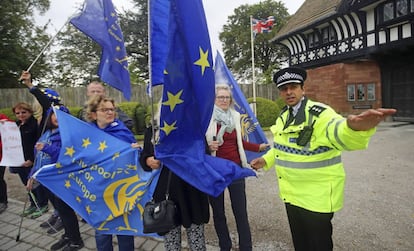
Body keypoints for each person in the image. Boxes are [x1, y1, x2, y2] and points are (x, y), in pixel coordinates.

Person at [250, 67, 397, 251]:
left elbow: (337, 131)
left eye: (293, 86)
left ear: (302, 89)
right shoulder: (284, 116)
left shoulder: (320, 114)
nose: (289, 92)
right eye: (284, 88)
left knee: (318, 246)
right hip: (291, 196)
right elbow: (281, 147)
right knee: (301, 244)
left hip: (316, 199)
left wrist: (354, 129)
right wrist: (266, 160)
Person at [205, 84, 269, 251]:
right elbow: (197, 143)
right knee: (219, 214)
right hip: (215, 172)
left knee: (241, 212)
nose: (224, 100)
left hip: (235, 170)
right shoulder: (207, 118)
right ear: (214, 99)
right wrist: (207, 146)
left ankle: (246, 246)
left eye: (227, 97)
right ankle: (224, 246)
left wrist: (258, 147)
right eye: (221, 97)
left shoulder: (234, 116)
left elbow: (239, 141)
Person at [140, 108, 210, 251]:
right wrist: (147, 160)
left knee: (196, 240)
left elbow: (206, 156)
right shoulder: (153, 130)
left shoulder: (194, 129)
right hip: (166, 192)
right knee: (171, 240)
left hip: (192, 190)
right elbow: (145, 155)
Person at [28, 105, 84, 251]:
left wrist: (47, 148)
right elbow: (38, 157)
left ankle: (76, 240)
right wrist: (31, 176)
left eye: (61, 115)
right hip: (46, 180)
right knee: (59, 210)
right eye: (54, 114)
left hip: (60, 179)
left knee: (66, 210)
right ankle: (68, 235)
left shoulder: (67, 135)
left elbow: (67, 156)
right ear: (49, 117)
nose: (57, 118)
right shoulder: (46, 134)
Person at [85, 95, 137, 251]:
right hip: (97, 191)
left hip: (119, 189)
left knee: (124, 230)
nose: (110, 112)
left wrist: (136, 151)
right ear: (94, 114)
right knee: (102, 233)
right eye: (104, 109)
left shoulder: (122, 131)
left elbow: (133, 160)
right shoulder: (86, 135)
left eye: (112, 109)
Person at [19, 70, 64, 232]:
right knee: (49, 191)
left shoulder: (59, 115)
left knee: (58, 194)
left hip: (55, 161)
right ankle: (56, 213)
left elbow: (46, 102)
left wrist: (30, 85)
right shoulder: (42, 120)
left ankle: (62, 216)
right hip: (42, 160)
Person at [10, 102, 49, 219]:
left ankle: (42, 204)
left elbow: (38, 143)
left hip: (31, 160)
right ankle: (33, 203)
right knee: (26, 184)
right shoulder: (16, 125)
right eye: (18, 113)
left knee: (35, 183)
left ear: (30, 112)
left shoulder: (35, 125)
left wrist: (32, 159)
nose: (21, 115)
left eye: (24, 112)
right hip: (19, 160)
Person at [0, 113, 12, 214]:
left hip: (1, 156)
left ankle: (3, 201)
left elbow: (12, 127)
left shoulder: (2, 117)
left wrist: (5, 123)